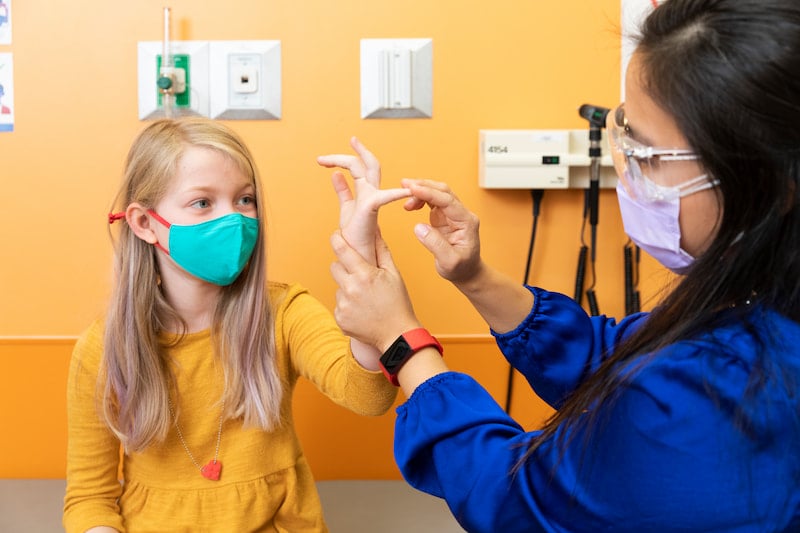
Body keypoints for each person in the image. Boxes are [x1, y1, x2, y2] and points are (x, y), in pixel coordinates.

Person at [320, 0, 800, 531]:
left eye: (650, 156)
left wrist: (400, 340)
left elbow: (515, 499)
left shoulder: (733, 399)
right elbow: (618, 358)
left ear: (770, 183)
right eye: (625, 137)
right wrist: (475, 278)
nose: (627, 173)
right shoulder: (764, 303)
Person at [63, 118, 409, 532]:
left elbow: (366, 396)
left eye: (245, 199)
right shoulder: (103, 347)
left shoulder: (285, 311)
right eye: (203, 202)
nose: (235, 219)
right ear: (144, 223)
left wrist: (362, 254)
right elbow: (90, 498)